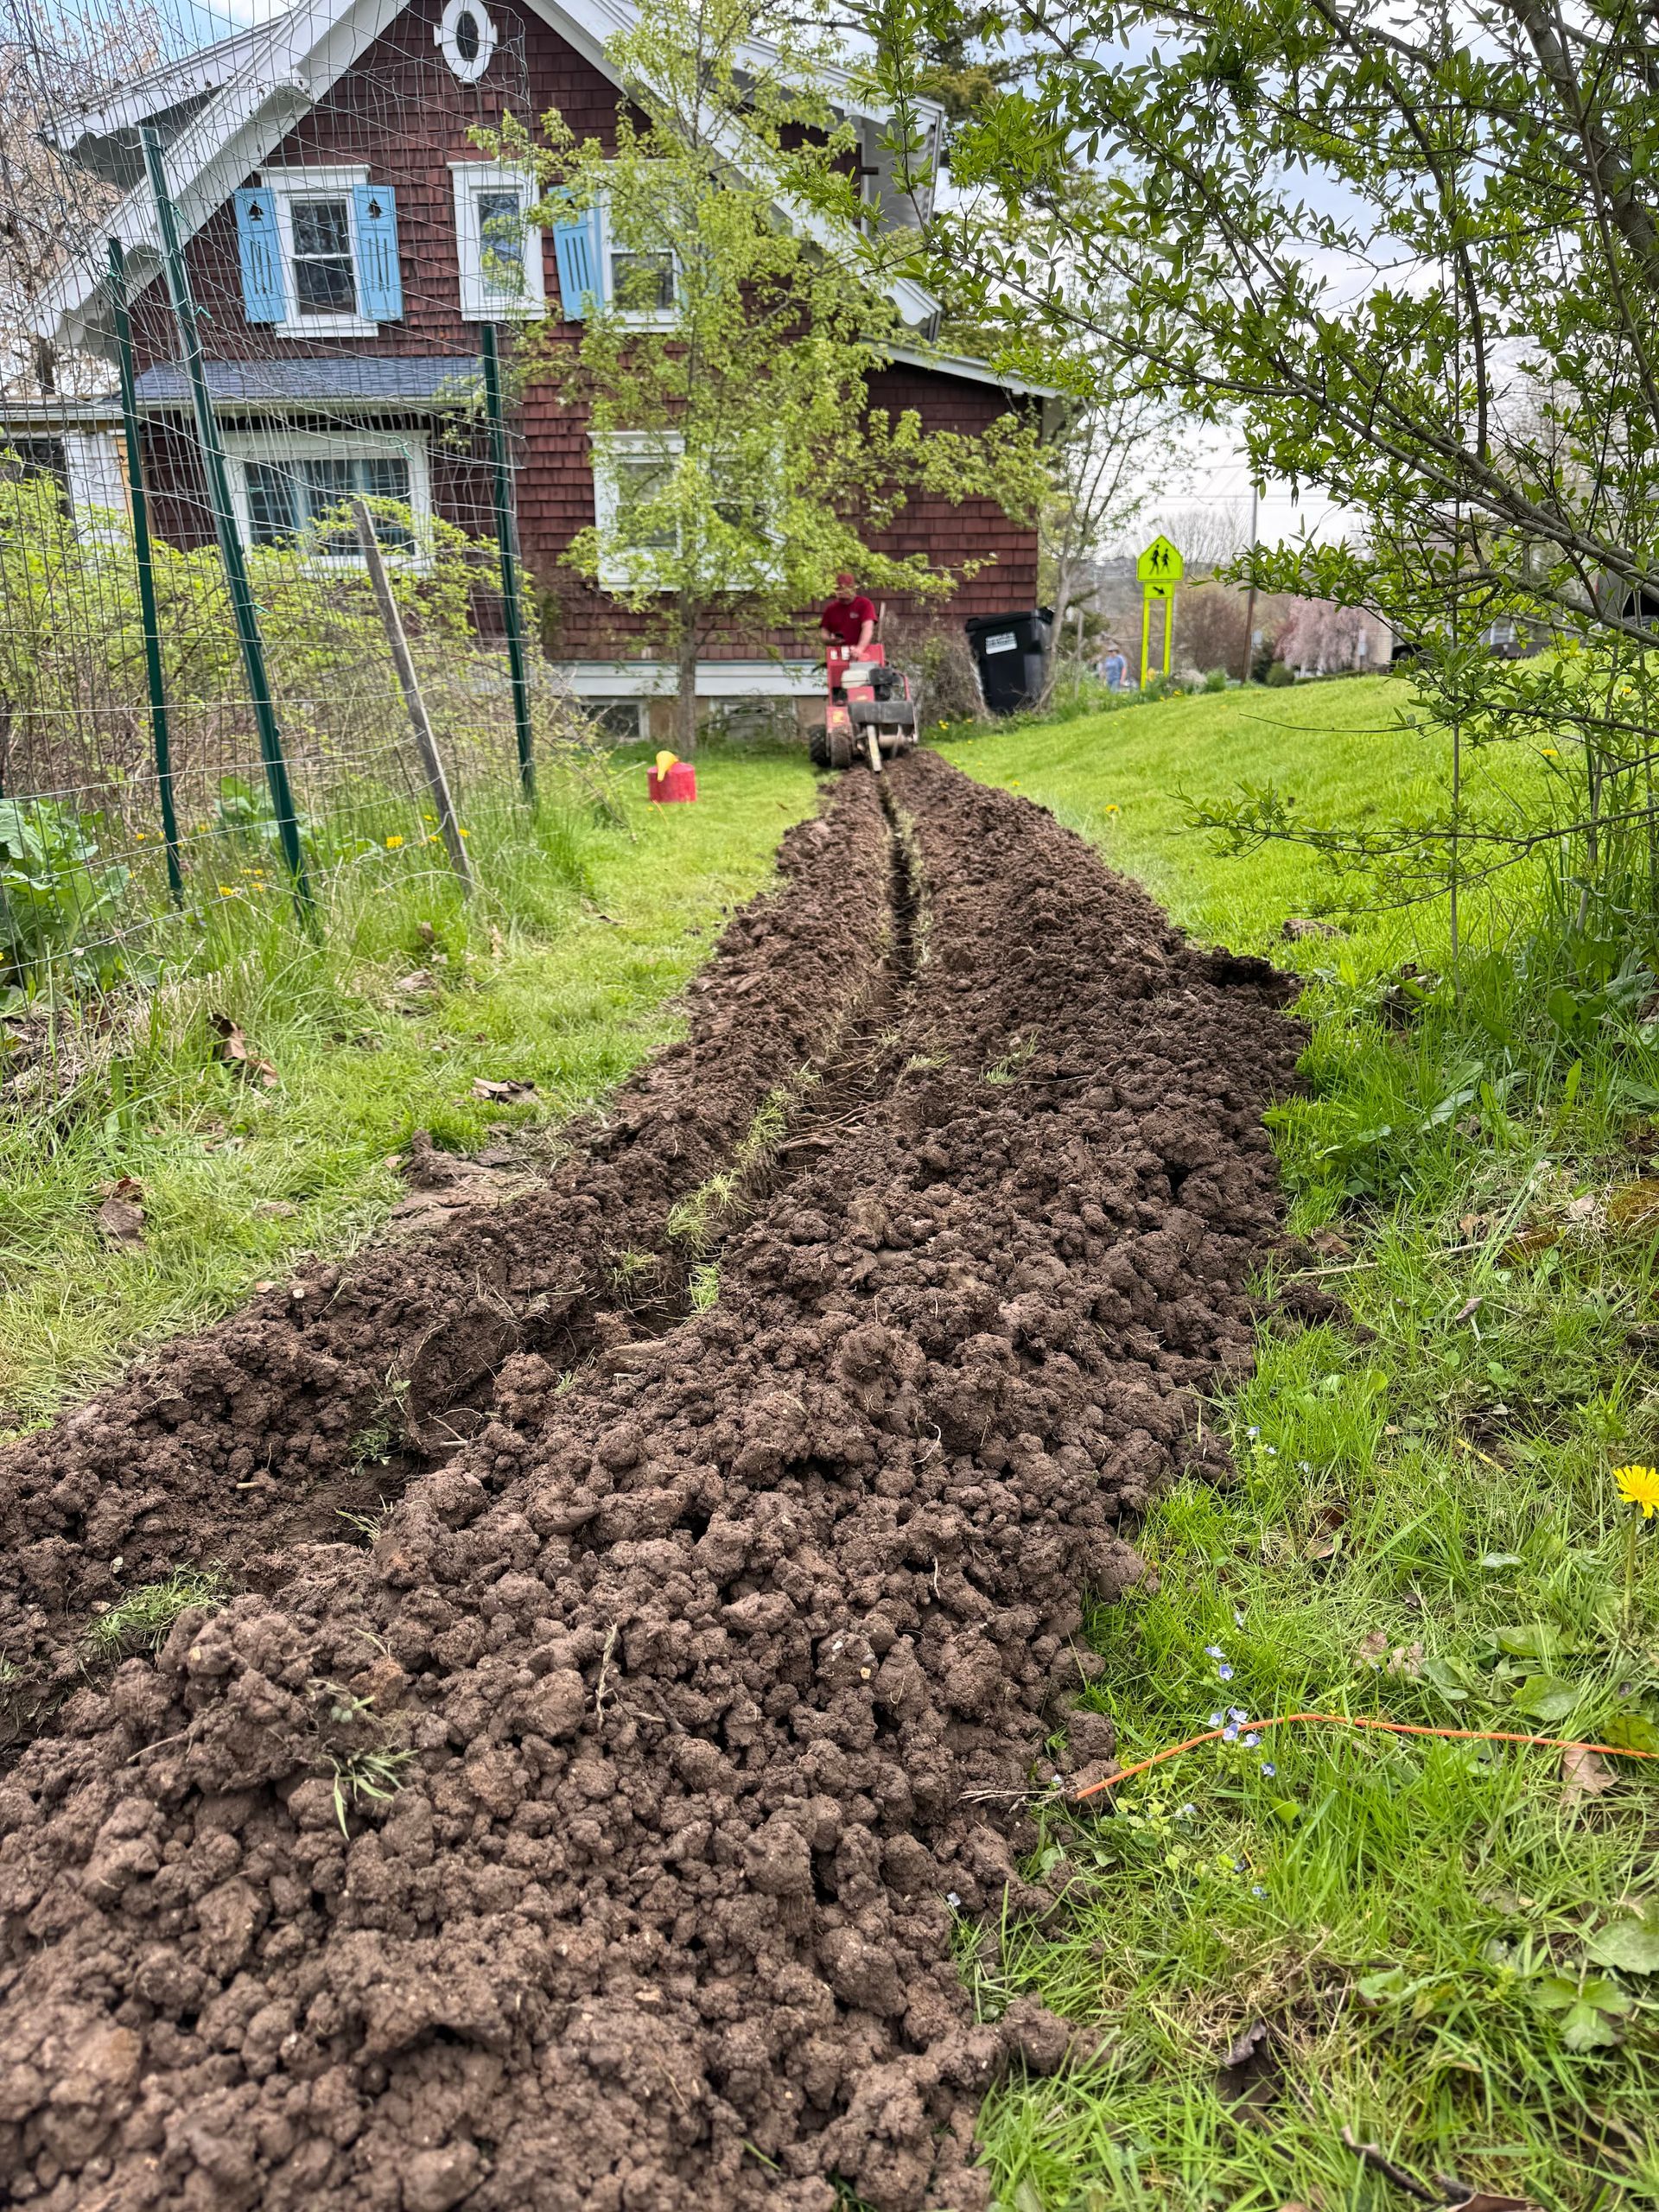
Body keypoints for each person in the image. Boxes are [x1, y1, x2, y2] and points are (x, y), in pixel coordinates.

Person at [820, 573, 877, 656]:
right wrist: (829, 640)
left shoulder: (865, 604)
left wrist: (860, 648)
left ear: (853, 589)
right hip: (839, 653)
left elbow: (868, 628)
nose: (844, 600)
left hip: (862, 652)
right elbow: (824, 632)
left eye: (847, 597)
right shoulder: (831, 609)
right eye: (842, 598)